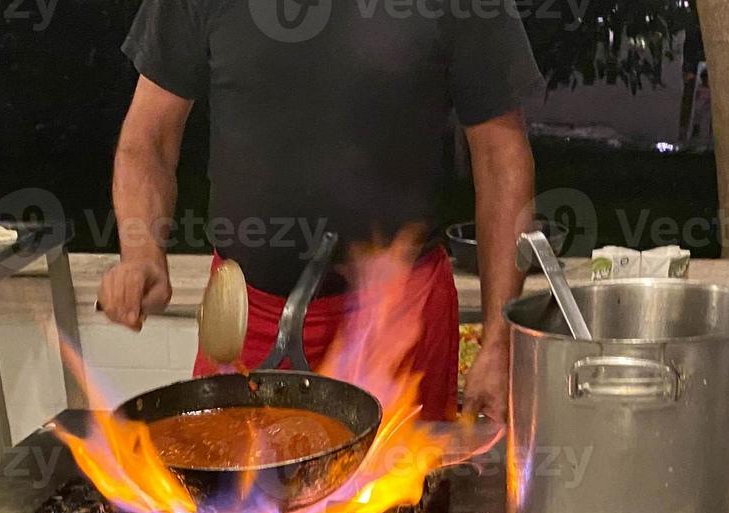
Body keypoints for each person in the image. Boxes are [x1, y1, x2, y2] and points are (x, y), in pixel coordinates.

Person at [96, 0, 542, 420]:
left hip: (401, 322)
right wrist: (140, 253)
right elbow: (148, 140)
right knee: (229, 494)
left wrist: (500, 341)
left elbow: (500, 158)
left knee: (407, 502)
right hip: (245, 319)